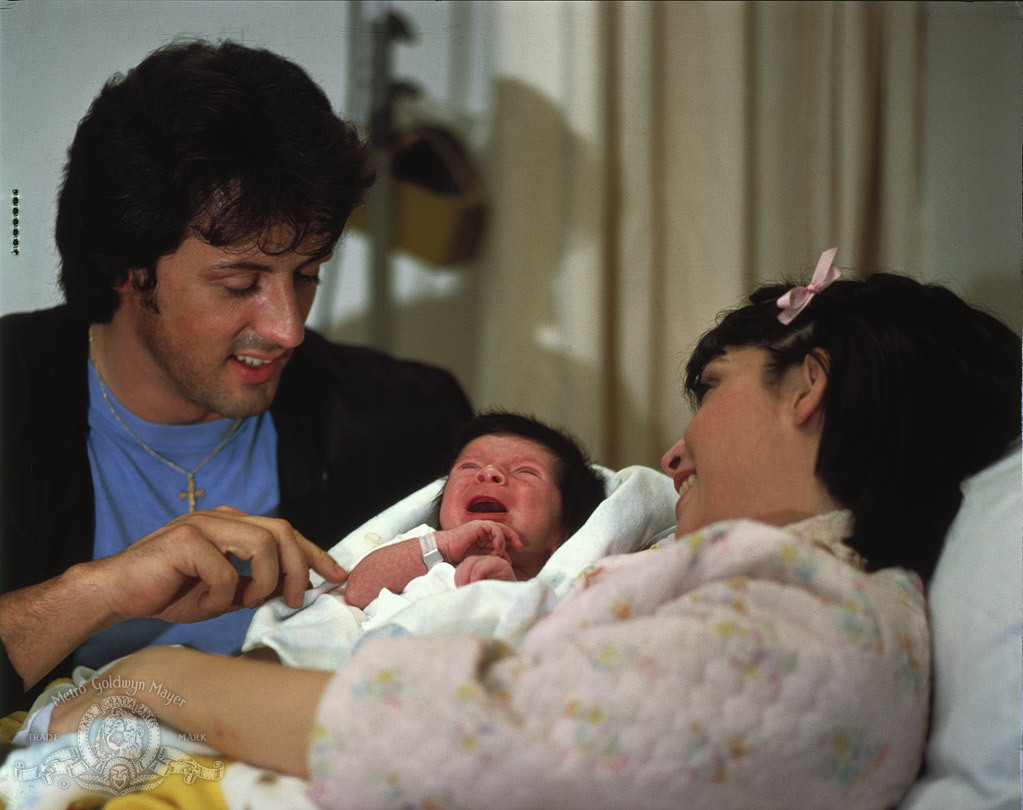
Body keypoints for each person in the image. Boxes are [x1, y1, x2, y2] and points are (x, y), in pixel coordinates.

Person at [41, 254, 1023, 808]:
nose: (674, 453)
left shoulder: (820, 632)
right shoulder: (771, 592)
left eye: (712, 393)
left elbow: (474, 734)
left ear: (807, 386)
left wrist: (159, 676)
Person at [0, 39, 472, 715]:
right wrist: (95, 593)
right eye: (241, 282)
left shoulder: (406, 421)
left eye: (306, 275)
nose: (287, 328)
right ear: (127, 269)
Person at [242, 412, 607, 668]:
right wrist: (441, 547)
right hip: (350, 668)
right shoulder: (424, 546)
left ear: (564, 536)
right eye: (468, 467)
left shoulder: (549, 587)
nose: (491, 473)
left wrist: (504, 588)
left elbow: (527, 641)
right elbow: (357, 591)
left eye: (525, 472)